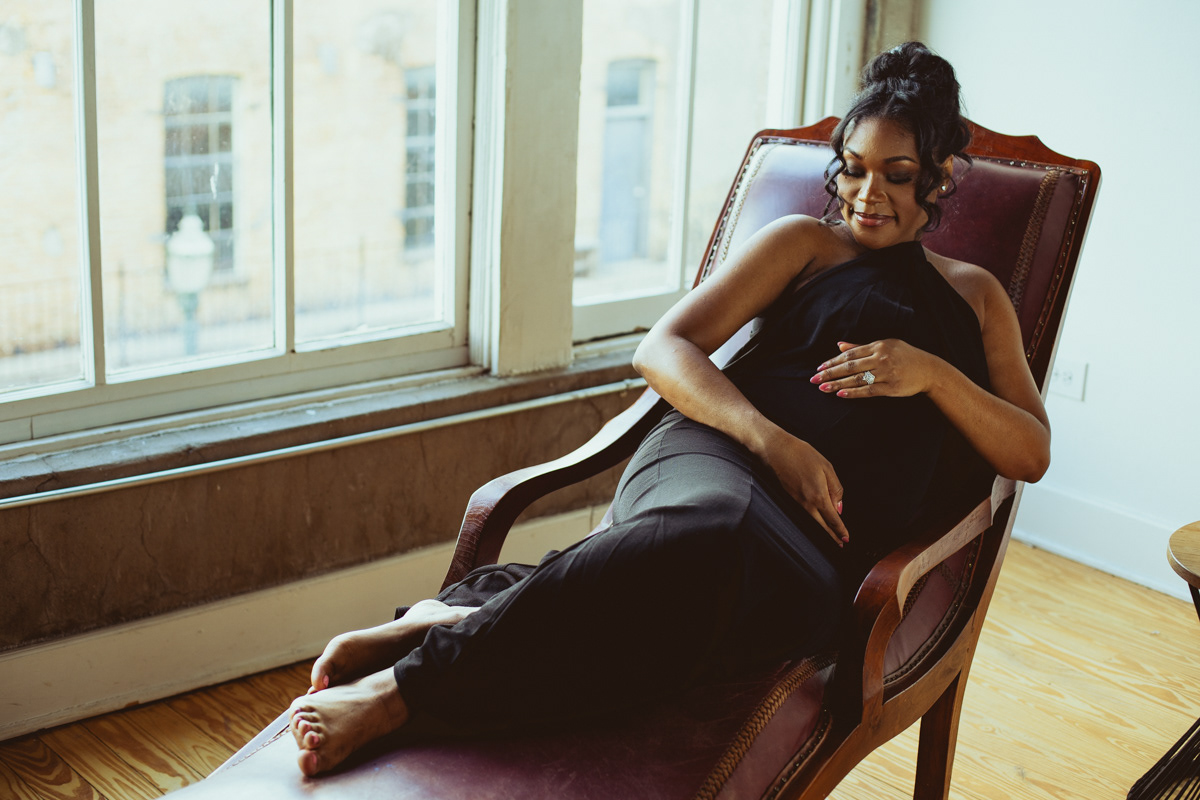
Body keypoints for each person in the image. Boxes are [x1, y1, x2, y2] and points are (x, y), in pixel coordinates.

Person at [285, 41, 1050, 777]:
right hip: (719, 459)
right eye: (852, 168)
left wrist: (932, 376)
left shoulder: (976, 298)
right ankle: (400, 694)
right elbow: (663, 348)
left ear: (940, 177)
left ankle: (463, 614)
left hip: (820, 553)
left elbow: (1029, 452)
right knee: (713, 529)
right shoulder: (805, 245)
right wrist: (773, 442)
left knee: (666, 648)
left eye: (896, 174)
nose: (865, 194)